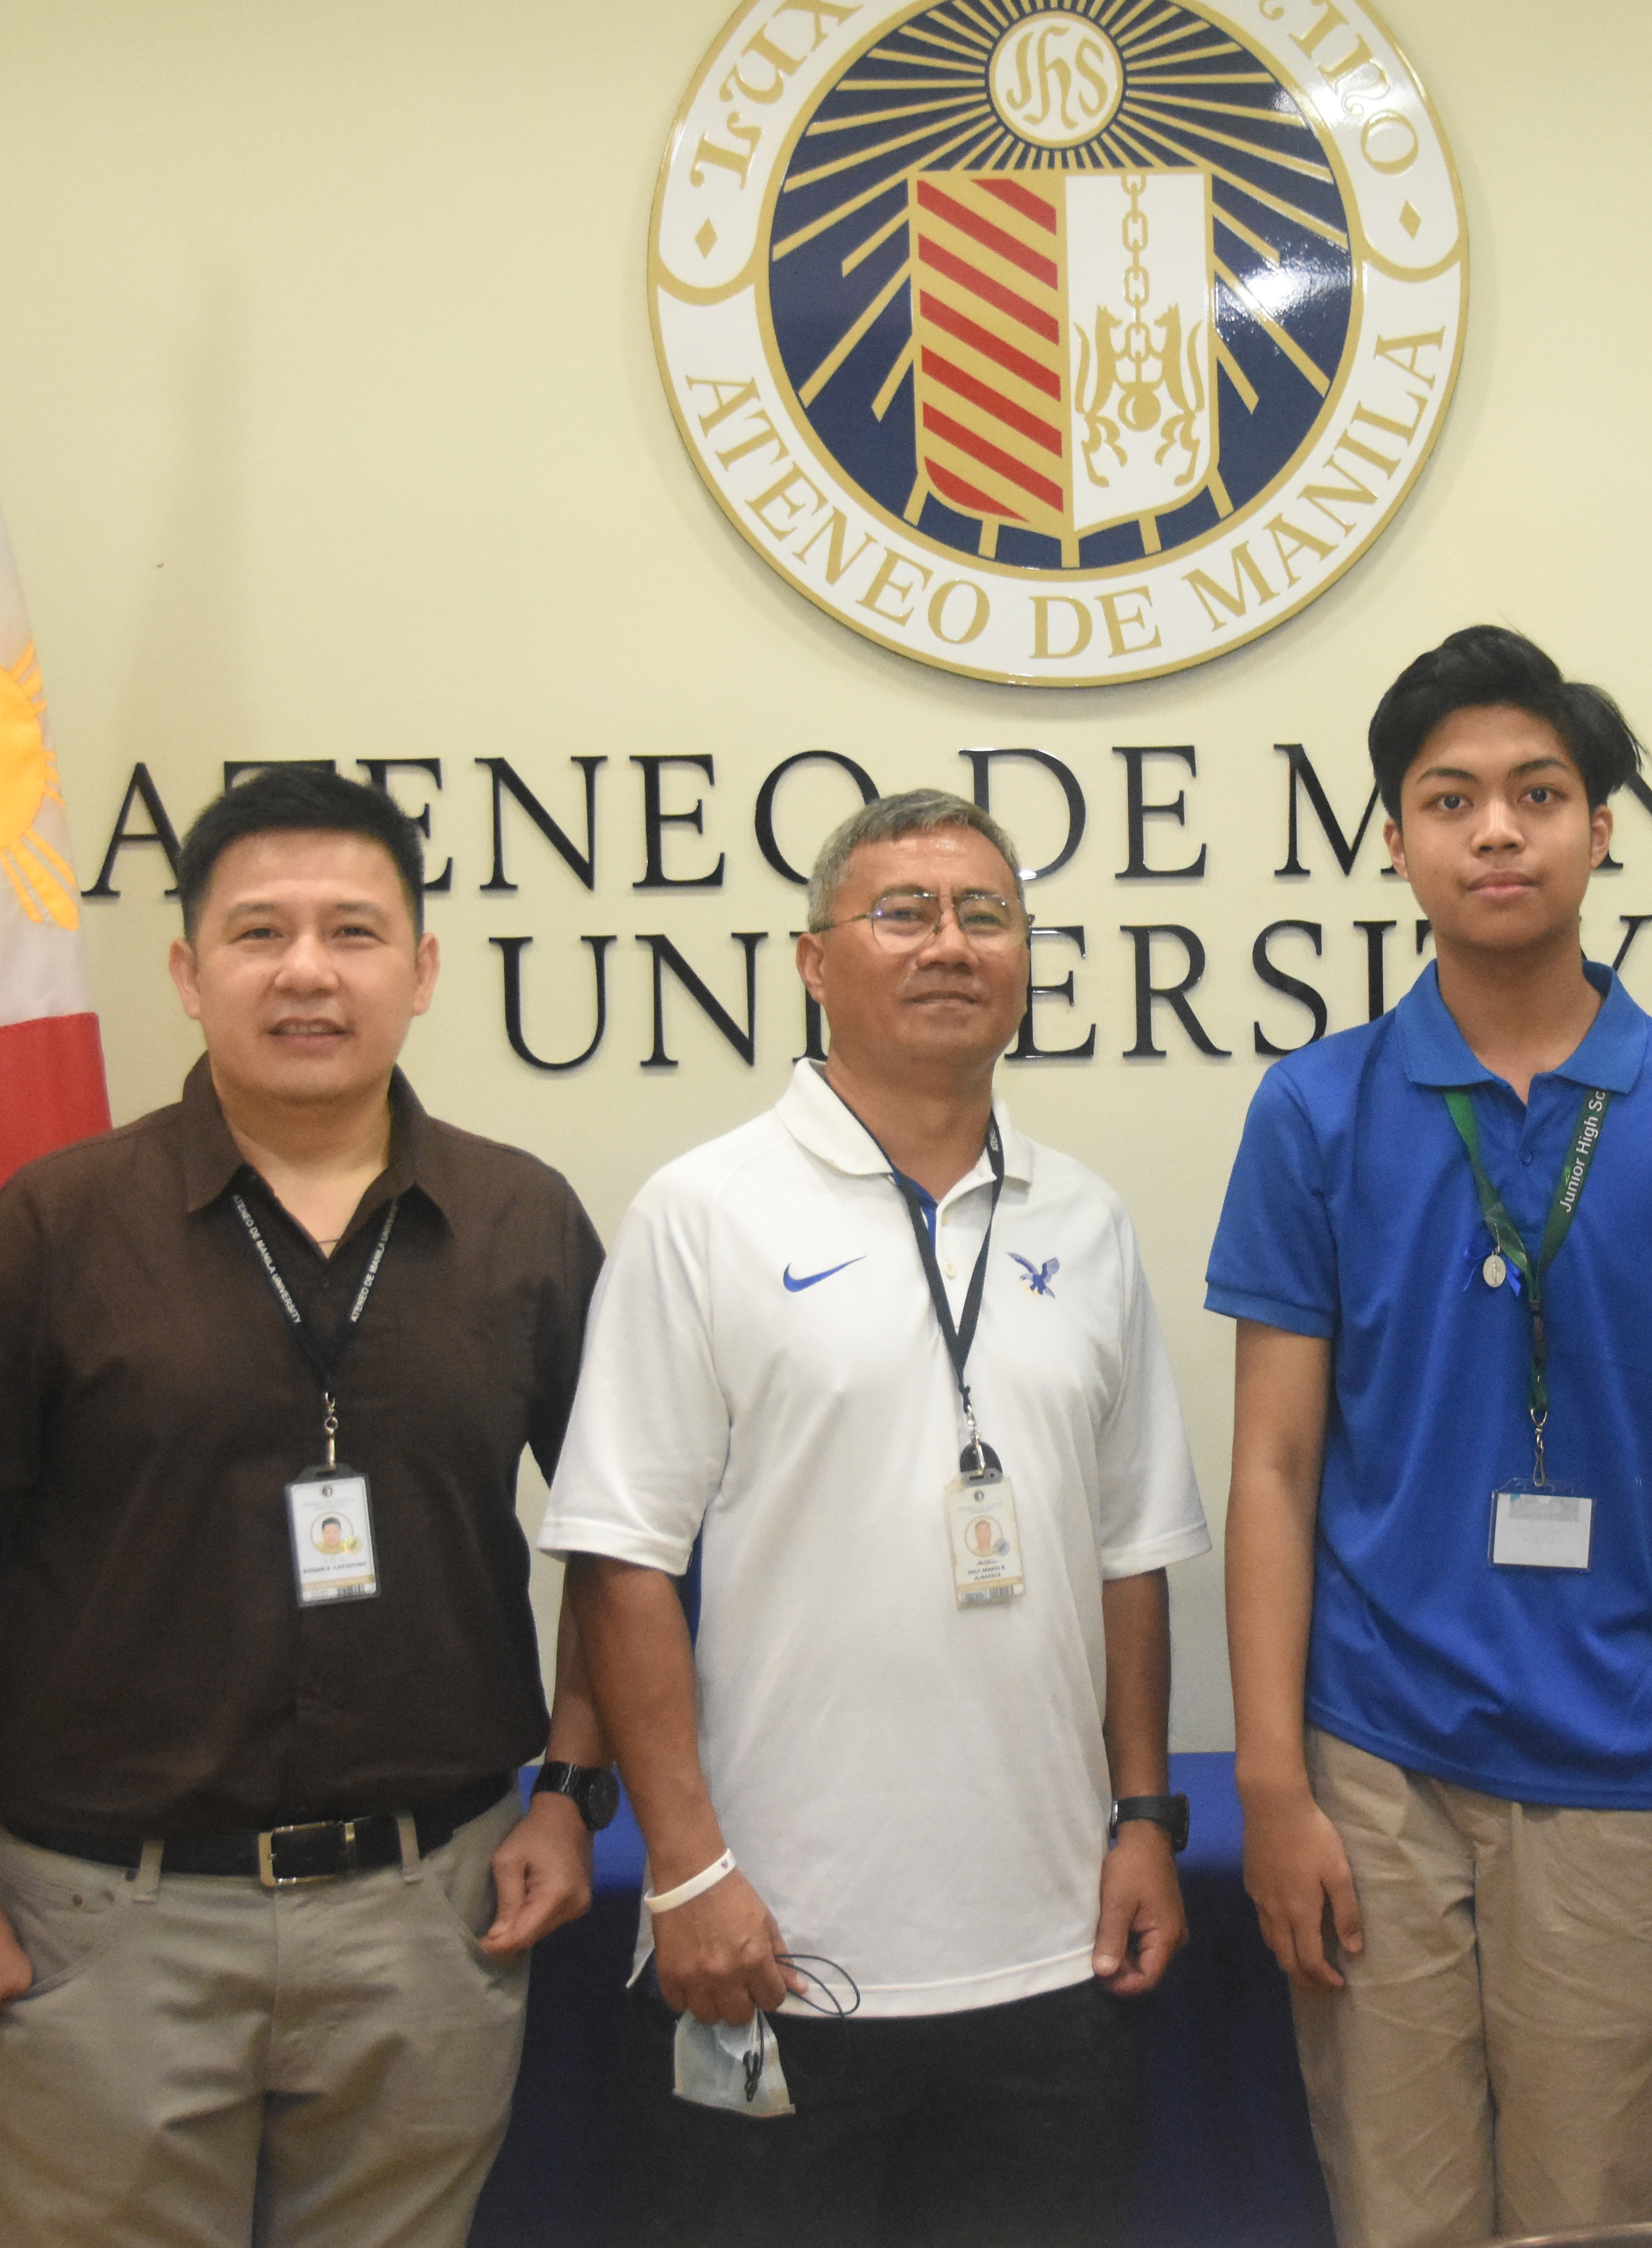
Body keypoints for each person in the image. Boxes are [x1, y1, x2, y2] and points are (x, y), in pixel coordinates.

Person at [0, 765, 615, 2247]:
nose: (308, 971)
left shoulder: (523, 1222)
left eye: (354, 932)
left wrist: (572, 1791)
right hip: (110, 1927)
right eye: (260, 934)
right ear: (189, 975)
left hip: (429, 1910)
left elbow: (618, 1540)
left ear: (424, 969)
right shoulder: (64, 1222)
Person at [1210, 626, 1652, 2248]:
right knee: (1398, 2215)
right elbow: (1271, 1468)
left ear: (1603, 826)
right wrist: (1273, 1784)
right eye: (1452, 798)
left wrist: (1635, 1591)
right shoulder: (1315, 1112)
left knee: (1591, 2214)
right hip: (1372, 1764)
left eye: (1539, 793)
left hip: (1613, 1761)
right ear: (1397, 840)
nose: (1498, 831)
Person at [543, 790, 1210, 2248]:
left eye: (986, 913)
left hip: (1052, 1947)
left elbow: (1131, 1549)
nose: (950, 943)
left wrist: (1146, 1816)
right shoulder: (703, 1212)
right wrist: (688, 1866)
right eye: (902, 910)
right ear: (811, 959)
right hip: (780, 1942)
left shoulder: (1083, 1220)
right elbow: (620, 1556)